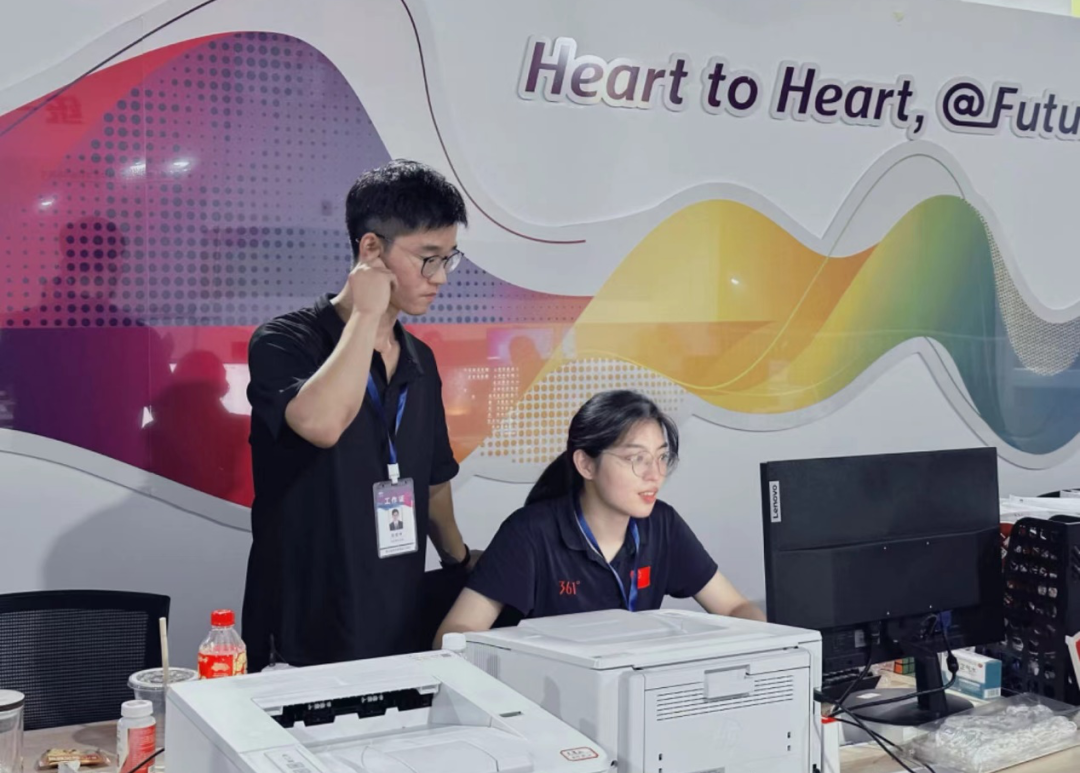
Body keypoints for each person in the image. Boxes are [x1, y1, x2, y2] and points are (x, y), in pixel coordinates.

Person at [243, 160, 476, 671]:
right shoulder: (285, 341)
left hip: (396, 621)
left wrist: (457, 558)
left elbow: (433, 482)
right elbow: (322, 425)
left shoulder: (419, 359)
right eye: (427, 259)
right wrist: (368, 312)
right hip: (303, 631)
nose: (440, 278)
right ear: (371, 249)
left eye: (448, 259)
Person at [435, 390, 764, 646]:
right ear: (586, 464)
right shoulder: (531, 533)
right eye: (636, 458)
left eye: (661, 457)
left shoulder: (662, 524)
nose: (655, 474)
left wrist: (763, 642)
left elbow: (734, 607)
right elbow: (453, 634)